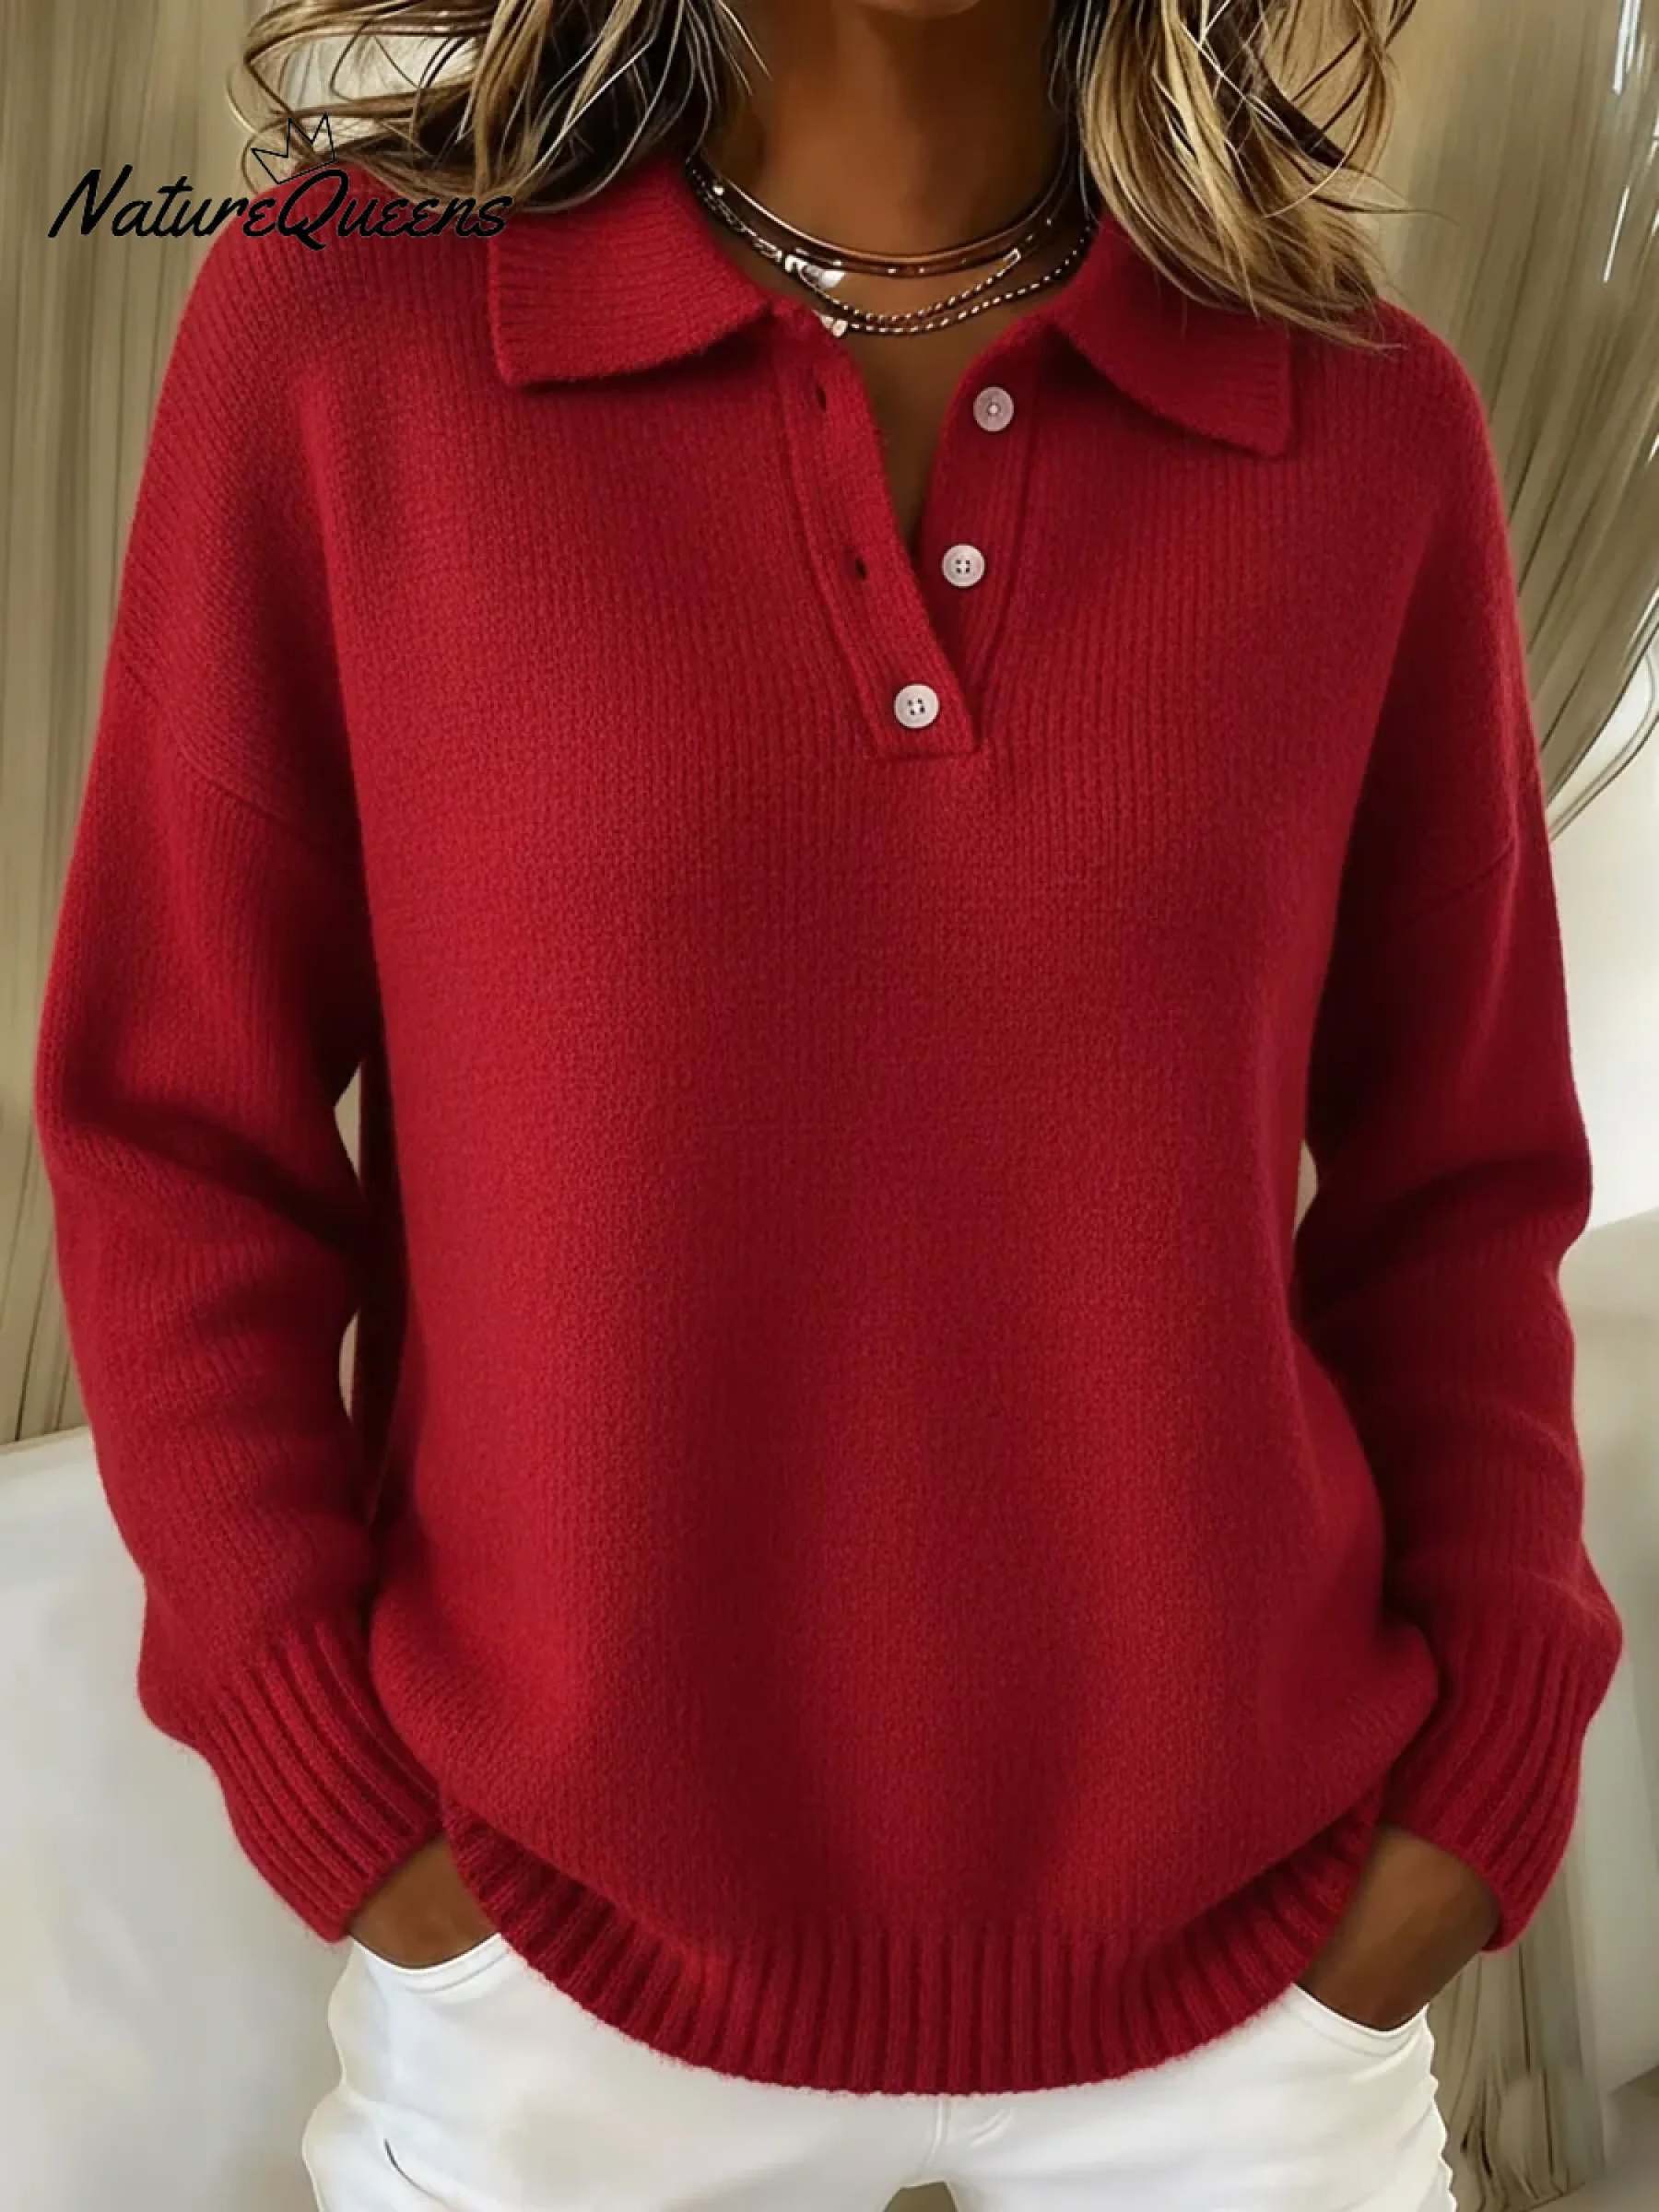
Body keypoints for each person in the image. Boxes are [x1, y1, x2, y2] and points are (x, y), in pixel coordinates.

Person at [32, 1, 1625, 2206]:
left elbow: (1459, 1194)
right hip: (549, 2003)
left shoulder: (1359, 427)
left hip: (1260, 2008)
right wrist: (343, 1790)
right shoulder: (346, 335)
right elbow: (174, 1133)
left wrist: (1480, 1777)